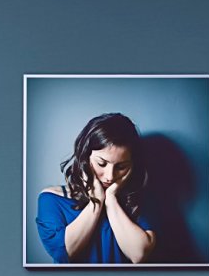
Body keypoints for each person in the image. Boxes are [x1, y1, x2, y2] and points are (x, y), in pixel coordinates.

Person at [34, 112, 156, 264]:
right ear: (84, 157)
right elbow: (64, 253)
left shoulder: (137, 199)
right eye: (101, 164)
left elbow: (139, 254)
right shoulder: (51, 199)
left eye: (121, 167)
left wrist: (111, 199)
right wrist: (96, 201)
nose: (110, 176)